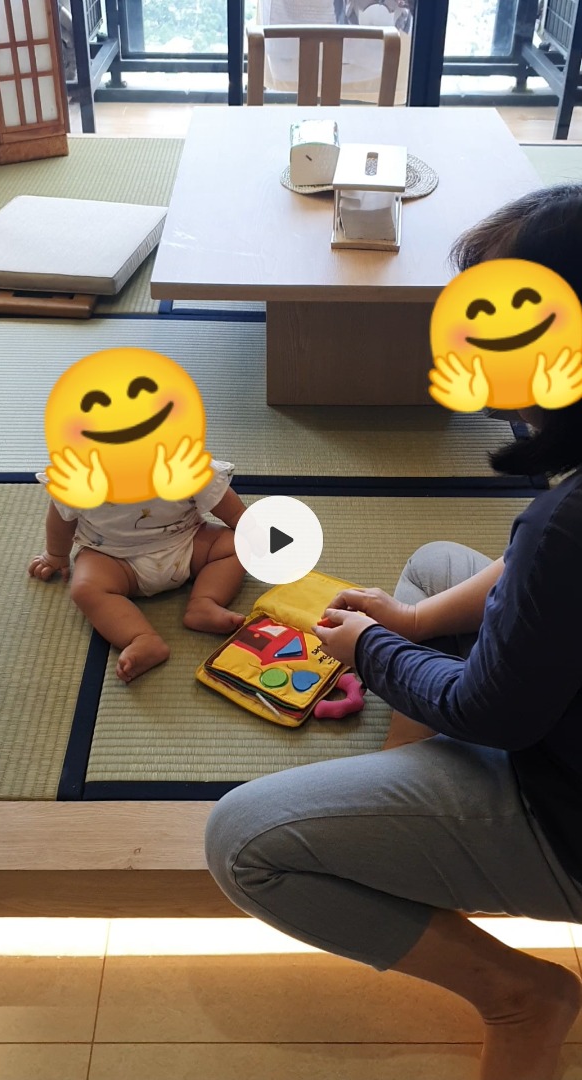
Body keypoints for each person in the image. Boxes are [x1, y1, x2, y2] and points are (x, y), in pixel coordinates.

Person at [205, 184, 582, 1080]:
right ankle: (406, 800)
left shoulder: (567, 525)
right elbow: (527, 567)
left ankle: (517, 995)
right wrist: (409, 625)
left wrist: (374, 651)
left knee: (243, 842)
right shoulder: (562, 520)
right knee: (436, 569)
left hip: (565, 809)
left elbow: (493, 711)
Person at [28, 460, 246, 683]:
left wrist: (248, 527)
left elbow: (225, 504)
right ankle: (140, 638)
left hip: (187, 542)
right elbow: (61, 518)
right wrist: (55, 554)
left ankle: (205, 603)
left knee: (236, 545)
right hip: (114, 558)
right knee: (85, 588)